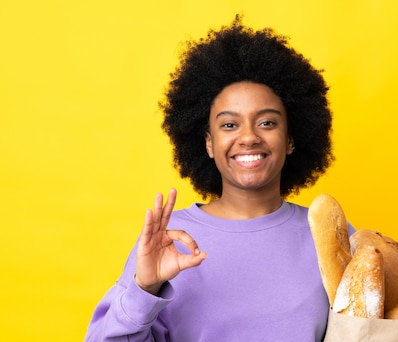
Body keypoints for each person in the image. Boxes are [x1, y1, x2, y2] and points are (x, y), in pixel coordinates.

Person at [85, 15, 351, 341]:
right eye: (229, 125)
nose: (248, 137)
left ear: (292, 139)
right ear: (209, 144)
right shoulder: (169, 240)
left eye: (267, 123)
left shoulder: (330, 236)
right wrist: (145, 288)